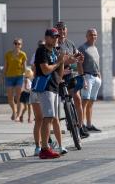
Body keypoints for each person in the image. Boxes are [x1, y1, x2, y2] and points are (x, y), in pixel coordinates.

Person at [33, 28, 68, 159]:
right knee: (47, 118)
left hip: (54, 88)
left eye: (57, 37)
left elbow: (59, 69)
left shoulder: (54, 51)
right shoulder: (41, 50)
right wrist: (59, 61)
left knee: (52, 118)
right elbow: (46, 69)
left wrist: (62, 61)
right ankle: (44, 149)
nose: (56, 39)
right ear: (46, 37)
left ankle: (46, 148)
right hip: (45, 88)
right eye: (53, 37)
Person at [55, 21, 89, 138]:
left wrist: (82, 76)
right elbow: (53, 61)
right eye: (59, 30)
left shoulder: (70, 44)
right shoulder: (54, 45)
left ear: (66, 30)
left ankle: (80, 127)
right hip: (57, 76)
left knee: (77, 98)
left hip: (69, 76)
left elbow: (78, 61)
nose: (62, 32)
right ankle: (53, 130)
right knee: (56, 104)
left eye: (63, 29)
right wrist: (66, 61)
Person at [79, 28, 102, 132]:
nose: (93, 37)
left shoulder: (95, 48)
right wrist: (83, 77)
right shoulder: (83, 48)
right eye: (91, 35)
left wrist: (99, 74)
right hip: (87, 77)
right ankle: (81, 125)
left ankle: (89, 124)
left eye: (95, 35)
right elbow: (79, 64)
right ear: (87, 36)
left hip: (95, 77)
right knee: (84, 101)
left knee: (91, 102)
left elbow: (96, 62)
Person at [3, 38, 27, 121]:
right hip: (9, 77)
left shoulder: (23, 54)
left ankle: (18, 115)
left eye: (19, 44)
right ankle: (14, 110)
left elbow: (24, 67)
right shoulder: (8, 54)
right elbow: (5, 66)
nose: (17, 45)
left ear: (21, 45)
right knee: (10, 98)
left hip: (19, 77)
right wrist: (3, 76)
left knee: (18, 97)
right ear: (13, 44)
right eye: (15, 43)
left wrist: (26, 78)